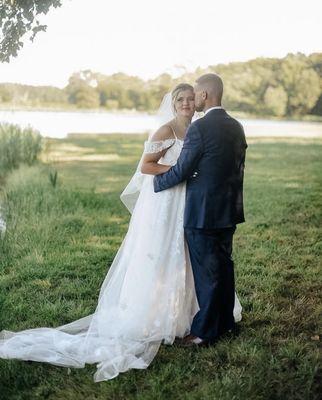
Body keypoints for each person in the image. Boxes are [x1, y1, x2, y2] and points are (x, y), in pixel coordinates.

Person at [0, 82, 242, 382]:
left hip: (189, 203)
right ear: (173, 103)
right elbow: (146, 167)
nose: (187, 104)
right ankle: (156, 316)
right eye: (181, 99)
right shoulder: (165, 131)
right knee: (160, 253)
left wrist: (190, 173)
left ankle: (190, 313)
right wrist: (179, 170)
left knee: (187, 257)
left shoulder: (198, 129)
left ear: (198, 101)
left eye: (191, 99)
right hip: (166, 200)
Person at [154, 74, 247, 346]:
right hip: (228, 210)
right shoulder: (237, 126)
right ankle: (226, 322)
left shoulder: (200, 128)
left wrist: (158, 182)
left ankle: (204, 332)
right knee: (224, 268)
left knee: (207, 275)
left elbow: (183, 169)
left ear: (205, 96)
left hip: (202, 212)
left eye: (195, 94)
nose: (193, 100)